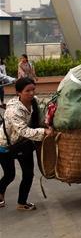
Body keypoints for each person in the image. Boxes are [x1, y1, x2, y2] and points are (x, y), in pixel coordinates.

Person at [0, 77, 52, 211]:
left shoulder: (33, 103)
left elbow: (42, 117)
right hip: (4, 145)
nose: (31, 93)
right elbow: (23, 131)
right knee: (9, 175)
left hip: (23, 144)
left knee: (28, 174)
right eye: (27, 91)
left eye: (33, 89)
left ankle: (22, 203)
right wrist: (44, 132)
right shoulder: (13, 110)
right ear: (18, 92)